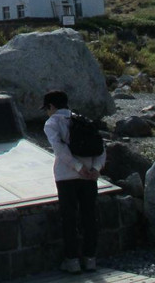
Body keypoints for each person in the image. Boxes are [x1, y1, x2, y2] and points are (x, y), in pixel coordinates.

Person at [42, 89, 105, 274]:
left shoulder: (52, 123)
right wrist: (95, 169)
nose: (47, 112)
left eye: (47, 108)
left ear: (51, 106)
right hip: (90, 177)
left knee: (69, 219)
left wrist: (77, 167)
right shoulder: (83, 120)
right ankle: (90, 259)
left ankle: (72, 261)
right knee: (89, 217)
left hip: (66, 177)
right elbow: (101, 146)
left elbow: (60, 150)